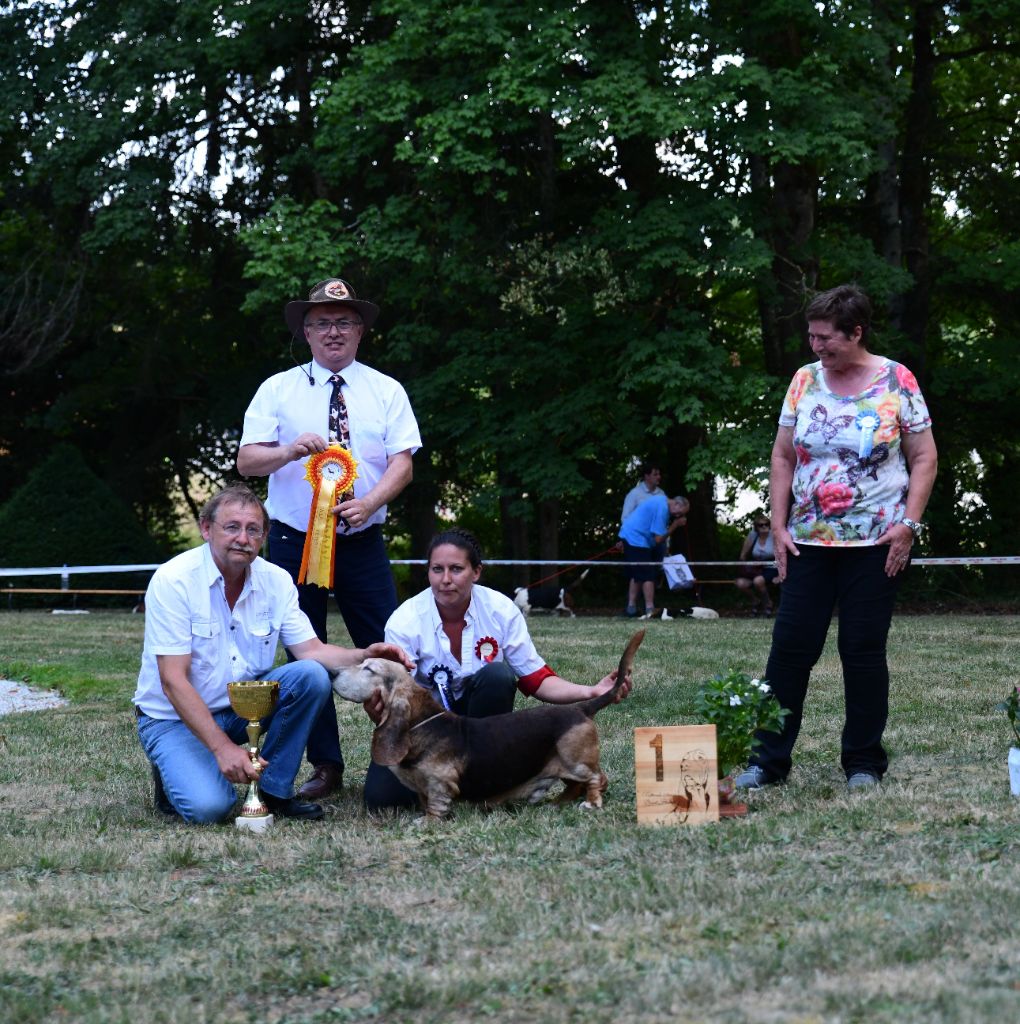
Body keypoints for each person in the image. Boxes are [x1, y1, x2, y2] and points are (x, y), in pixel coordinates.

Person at [735, 284, 937, 793]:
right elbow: (783, 456)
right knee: (789, 650)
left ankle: (864, 762)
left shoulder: (897, 379)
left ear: (855, 333)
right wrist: (778, 528)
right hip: (807, 543)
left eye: (825, 338)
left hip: (876, 544)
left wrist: (908, 526)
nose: (816, 347)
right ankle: (768, 761)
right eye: (811, 336)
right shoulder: (804, 380)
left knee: (862, 650)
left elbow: (924, 458)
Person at [236, 277, 421, 802]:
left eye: (343, 321)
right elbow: (248, 460)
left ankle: (400, 757)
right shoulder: (277, 389)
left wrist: (371, 502)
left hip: (362, 540)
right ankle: (326, 767)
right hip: (296, 543)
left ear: (360, 329)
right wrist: (290, 451)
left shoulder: (387, 390)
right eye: (321, 323)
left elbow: (403, 463)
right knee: (307, 658)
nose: (333, 331)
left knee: (391, 649)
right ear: (306, 333)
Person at [132, 484, 412, 824]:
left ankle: (274, 792)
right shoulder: (174, 580)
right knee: (211, 809)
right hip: (173, 718)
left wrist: (365, 654)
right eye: (232, 527)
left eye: (253, 530)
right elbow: (172, 680)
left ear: (265, 536)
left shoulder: (276, 580)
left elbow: (312, 650)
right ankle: (175, 766)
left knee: (310, 675)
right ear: (206, 529)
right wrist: (222, 748)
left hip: (239, 709)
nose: (243, 538)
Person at [363, 527, 632, 811]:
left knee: (498, 675)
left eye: (456, 569)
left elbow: (536, 678)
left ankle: (490, 776)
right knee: (384, 801)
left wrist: (591, 691)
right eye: (436, 569)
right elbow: (392, 694)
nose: (445, 580)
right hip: (426, 731)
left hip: (483, 733)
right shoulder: (404, 619)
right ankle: (471, 781)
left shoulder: (500, 609)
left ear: (476, 572)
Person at [618, 494, 689, 618]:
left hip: (633, 536)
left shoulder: (662, 499)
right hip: (636, 538)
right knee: (648, 575)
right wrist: (675, 525)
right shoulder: (662, 509)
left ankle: (631, 608)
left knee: (638, 574)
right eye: (680, 513)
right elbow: (658, 539)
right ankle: (650, 609)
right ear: (677, 504)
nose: (679, 516)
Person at [734, 518, 778, 616]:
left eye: (766, 524)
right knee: (740, 583)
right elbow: (743, 555)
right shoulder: (753, 535)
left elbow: (782, 554)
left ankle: (768, 603)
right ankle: (755, 601)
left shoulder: (775, 535)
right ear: (756, 527)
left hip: (772, 567)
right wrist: (744, 567)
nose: (764, 527)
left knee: (758, 581)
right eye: (760, 525)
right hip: (755, 568)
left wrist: (780, 574)